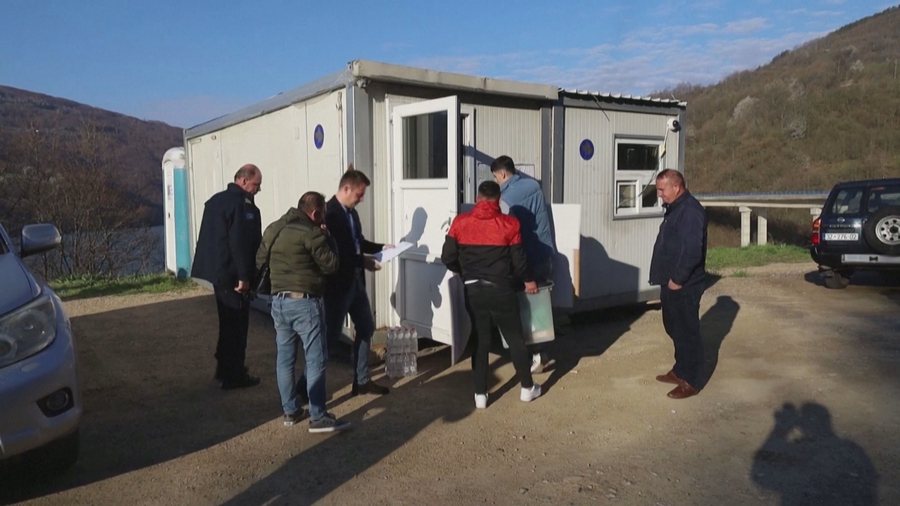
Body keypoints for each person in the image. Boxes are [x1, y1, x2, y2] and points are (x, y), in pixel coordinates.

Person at [441, 180, 541, 409]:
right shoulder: (510, 224)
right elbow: (519, 262)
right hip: (501, 289)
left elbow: (447, 257)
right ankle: (527, 388)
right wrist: (528, 280)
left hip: (473, 289)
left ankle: (480, 395)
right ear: (498, 200)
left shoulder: (460, 222)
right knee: (515, 338)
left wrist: (464, 272)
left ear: (477, 199)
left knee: (480, 339)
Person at [257, 191, 350, 432]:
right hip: (305, 303)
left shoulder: (274, 228)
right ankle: (318, 416)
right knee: (315, 358)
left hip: (278, 302)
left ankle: (290, 410)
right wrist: (328, 238)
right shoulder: (312, 233)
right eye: (323, 214)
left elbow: (259, 260)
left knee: (285, 358)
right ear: (315, 212)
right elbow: (332, 265)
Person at [191, 164, 263, 390]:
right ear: (244, 181)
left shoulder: (215, 201)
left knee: (227, 322)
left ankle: (224, 369)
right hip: (233, 275)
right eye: (256, 185)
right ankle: (234, 374)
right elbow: (239, 242)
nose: (258, 190)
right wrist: (244, 276)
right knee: (237, 325)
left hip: (218, 273)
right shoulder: (241, 205)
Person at [324, 166, 391, 396]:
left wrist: (382, 247)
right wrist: (364, 261)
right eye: (359, 194)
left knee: (366, 327)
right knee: (329, 338)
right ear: (346, 188)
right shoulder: (331, 214)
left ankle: (362, 381)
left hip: (355, 281)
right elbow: (339, 252)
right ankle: (306, 387)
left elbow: (358, 242)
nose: (361, 199)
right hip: (338, 286)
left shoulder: (351, 213)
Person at [491, 155, 555, 373]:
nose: (496, 181)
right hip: (543, 252)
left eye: (496, 177)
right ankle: (541, 352)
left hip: (523, 257)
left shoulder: (506, 196)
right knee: (539, 307)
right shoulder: (533, 185)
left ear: (502, 174)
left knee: (524, 308)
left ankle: (533, 354)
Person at [649, 169, 708, 399]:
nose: (659, 194)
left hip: (684, 284)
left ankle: (691, 380)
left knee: (687, 331)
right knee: (673, 327)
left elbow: (692, 251)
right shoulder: (675, 208)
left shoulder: (691, 211)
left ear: (676, 187)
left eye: (662, 190)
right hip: (670, 281)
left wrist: (678, 279)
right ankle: (680, 369)